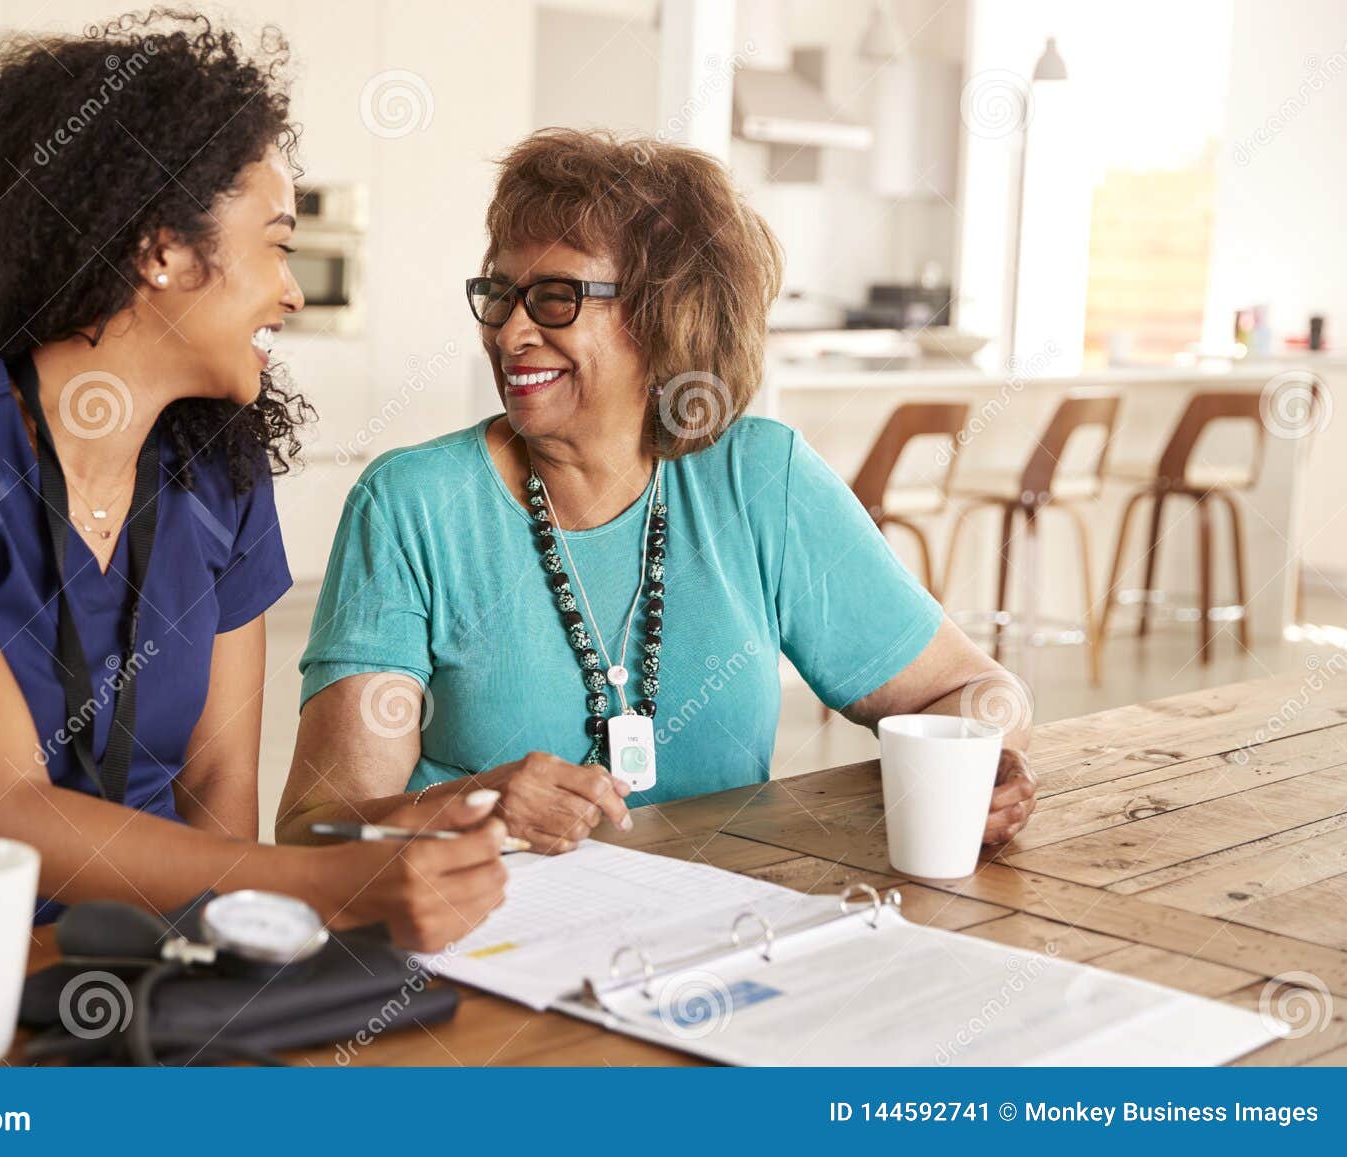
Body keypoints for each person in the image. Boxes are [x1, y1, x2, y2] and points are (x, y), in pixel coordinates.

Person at [0, 12, 504, 965]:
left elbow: (216, 778)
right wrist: (329, 887)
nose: (292, 292)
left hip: (157, 956)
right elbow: (4, 810)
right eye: (277, 244)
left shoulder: (221, 476)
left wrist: (238, 963)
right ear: (162, 252)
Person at [278, 128, 1036, 853]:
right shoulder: (412, 505)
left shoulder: (758, 479)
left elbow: (982, 692)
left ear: (664, 312)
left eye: (555, 299)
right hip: (488, 938)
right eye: (501, 295)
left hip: (726, 934)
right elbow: (317, 827)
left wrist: (976, 769)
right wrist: (469, 806)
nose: (509, 334)